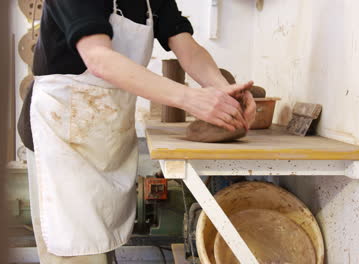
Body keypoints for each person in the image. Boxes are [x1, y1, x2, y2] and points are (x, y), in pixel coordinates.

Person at [17, 0, 256, 263]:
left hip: (106, 131)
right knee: (75, 246)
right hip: (61, 132)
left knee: (99, 241)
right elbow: (99, 58)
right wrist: (190, 99)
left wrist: (225, 91)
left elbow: (187, 48)